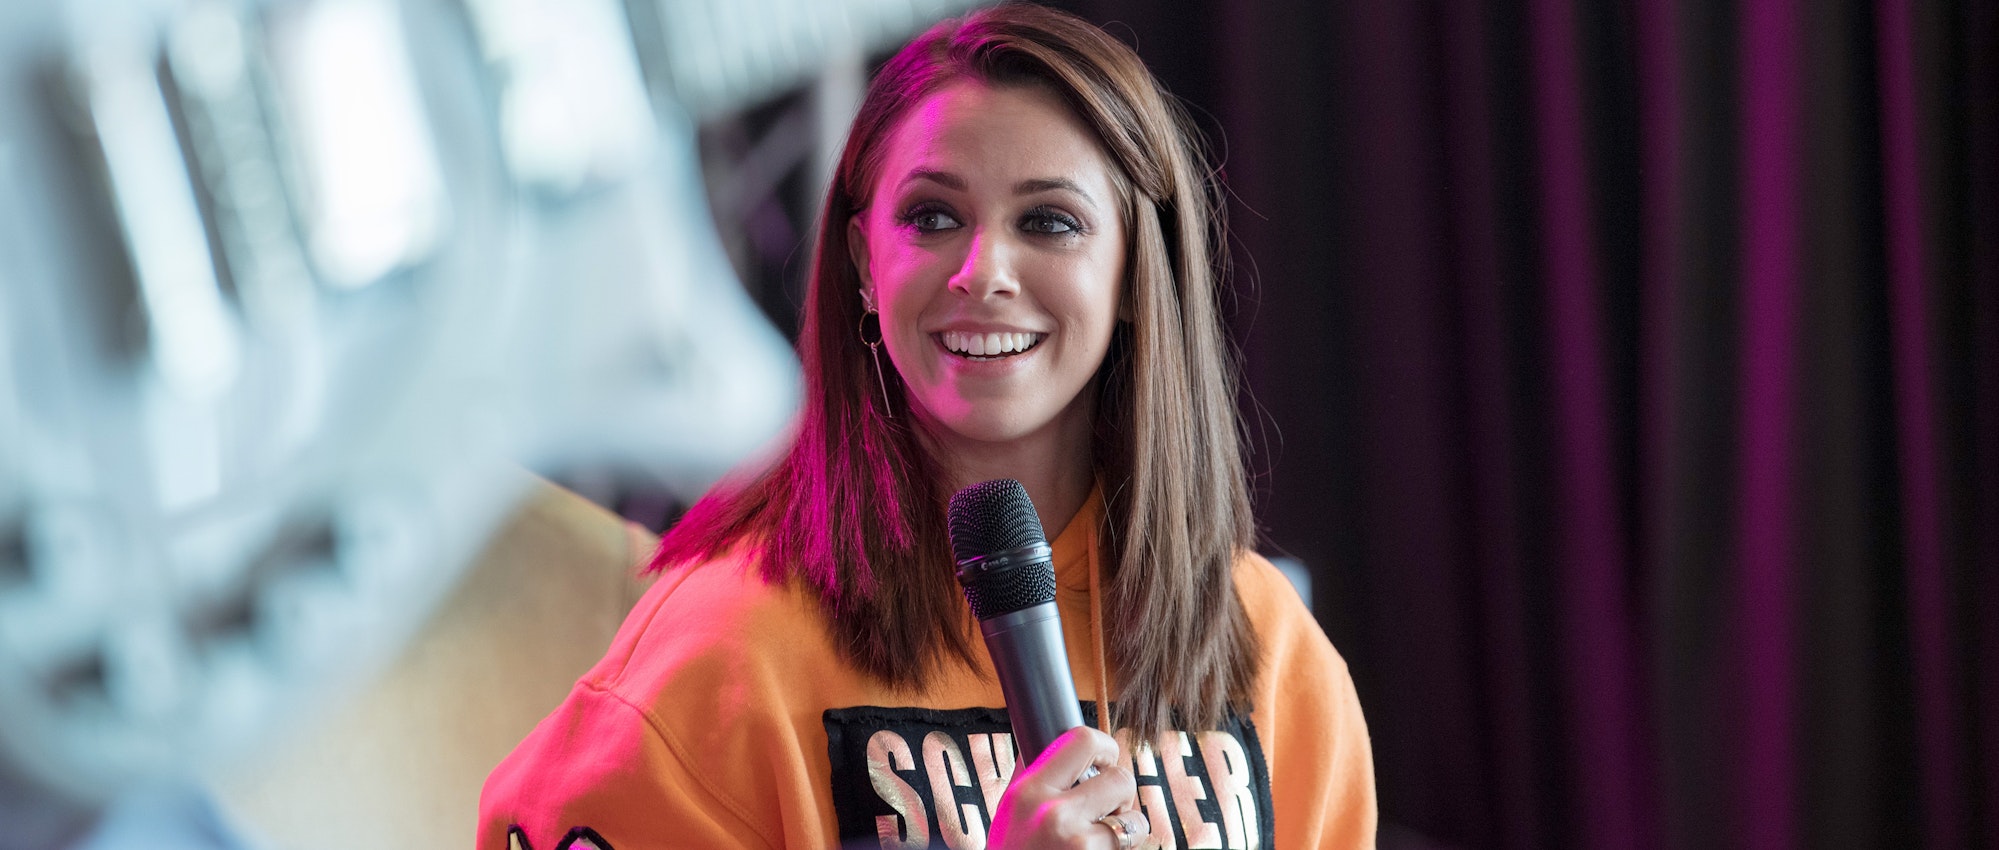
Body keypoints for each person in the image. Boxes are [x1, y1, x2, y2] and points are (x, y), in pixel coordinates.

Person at [479, 4, 1376, 848]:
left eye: (1050, 222)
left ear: (1136, 273)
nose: (984, 271)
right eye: (933, 216)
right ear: (865, 266)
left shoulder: (1266, 646)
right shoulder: (724, 652)